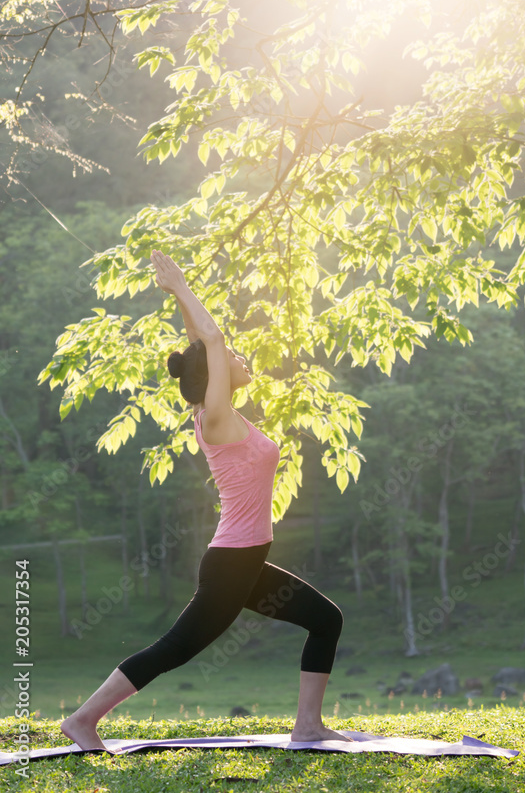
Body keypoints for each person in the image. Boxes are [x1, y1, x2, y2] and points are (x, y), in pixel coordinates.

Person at [60, 248, 350, 751]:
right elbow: (211, 341)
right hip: (233, 563)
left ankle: (307, 726)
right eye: (231, 358)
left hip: (246, 560)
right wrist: (179, 288)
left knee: (326, 620)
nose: (238, 358)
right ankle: (83, 720)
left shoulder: (222, 412)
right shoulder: (214, 417)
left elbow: (202, 343)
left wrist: (182, 303)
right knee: (177, 648)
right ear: (214, 376)